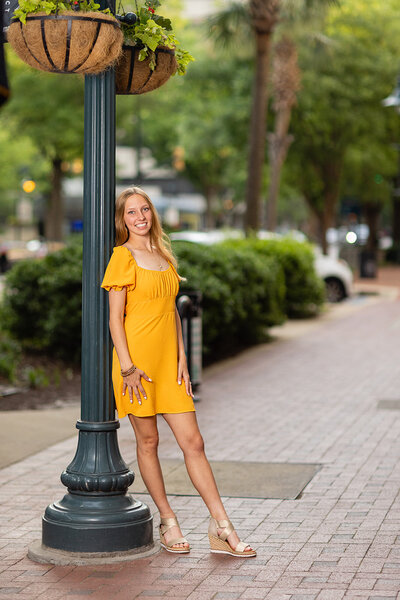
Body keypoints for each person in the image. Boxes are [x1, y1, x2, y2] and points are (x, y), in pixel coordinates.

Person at [101, 186, 256, 558]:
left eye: (145, 210)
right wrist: (127, 368)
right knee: (149, 442)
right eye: (131, 213)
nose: (140, 217)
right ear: (122, 221)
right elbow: (115, 319)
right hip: (134, 366)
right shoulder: (122, 257)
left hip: (169, 364)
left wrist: (183, 357)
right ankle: (168, 520)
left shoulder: (162, 254)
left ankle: (222, 526)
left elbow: (170, 310)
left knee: (194, 443)